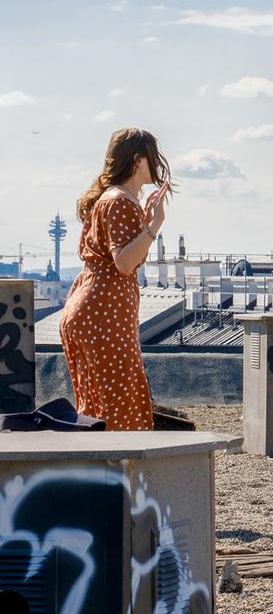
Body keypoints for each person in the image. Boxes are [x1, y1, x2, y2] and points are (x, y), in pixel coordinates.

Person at [62, 128, 172, 431]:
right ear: (138, 160)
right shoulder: (121, 201)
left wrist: (145, 225)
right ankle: (120, 475)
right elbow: (124, 262)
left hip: (88, 306)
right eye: (151, 157)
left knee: (96, 406)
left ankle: (101, 473)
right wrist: (154, 226)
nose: (157, 164)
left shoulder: (108, 199)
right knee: (120, 406)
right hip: (104, 313)